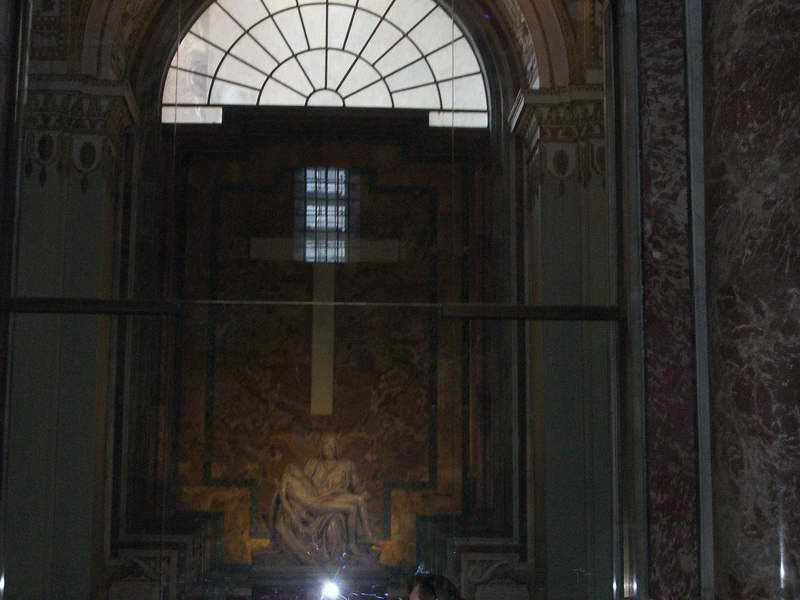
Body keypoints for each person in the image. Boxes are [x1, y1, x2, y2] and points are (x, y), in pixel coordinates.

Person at [271, 434, 374, 565]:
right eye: (325, 444)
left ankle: (363, 539)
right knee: (337, 518)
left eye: (331, 444)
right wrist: (295, 509)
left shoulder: (346, 466)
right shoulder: (312, 465)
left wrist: (364, 495)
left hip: (336, 499)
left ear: (336, 447)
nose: (327, 447)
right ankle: (343, 552)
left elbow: (359, 489)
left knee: (350, 507)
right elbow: (303, 487)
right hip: (318, 504)